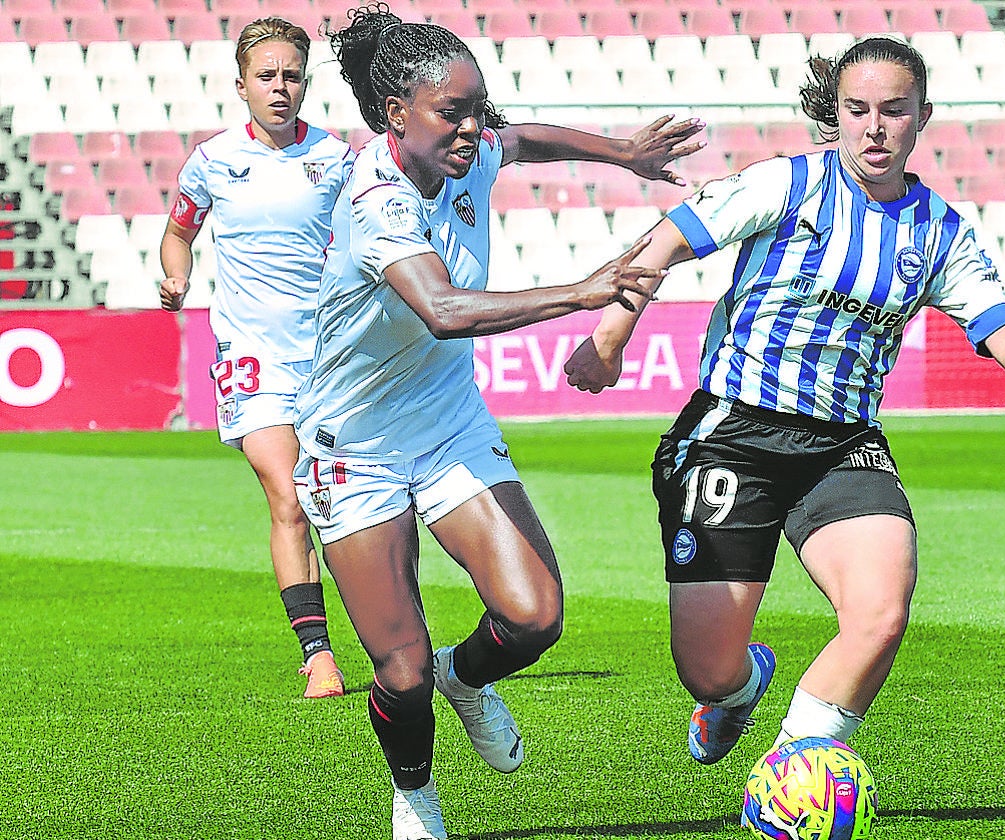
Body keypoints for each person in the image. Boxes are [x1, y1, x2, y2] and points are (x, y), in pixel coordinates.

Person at [564, 35, 1005, 785]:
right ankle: (738, 689)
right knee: (708, 670)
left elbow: (994, 315)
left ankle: (793, 772)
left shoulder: (937, 230)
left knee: (880, 611)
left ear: (922, 117)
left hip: (843, 446)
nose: (874, 127)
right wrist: (610, 336)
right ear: (835, 114)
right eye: (858, 109)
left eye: (893, 111)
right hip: (733, 435)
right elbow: (666, 241)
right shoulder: (787, 184)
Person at [289, 7, 703, 838]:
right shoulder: (376, 200)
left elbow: (526, 139)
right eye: (454, 113)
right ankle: (415, 796)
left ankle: (468, 678)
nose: (476, 128)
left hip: (445, 427)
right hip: (355, 449)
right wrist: (580, 292)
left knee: (536, 615)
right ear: (394, 112)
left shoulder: (465, 149)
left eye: (479, 107)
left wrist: (625, 154)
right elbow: (442, 309)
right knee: (399, 675)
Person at [159, 18, 354, 699]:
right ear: (241, 85)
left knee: (340, 500)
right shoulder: (213, 160)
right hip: (251, 350)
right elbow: (178, 233)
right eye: (267, 75)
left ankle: (386, 631)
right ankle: (317, 652)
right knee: (288, 492)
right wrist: (176, 278)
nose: (280, 86)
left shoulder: (337, 157)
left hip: (329, 352)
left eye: (292, 74)